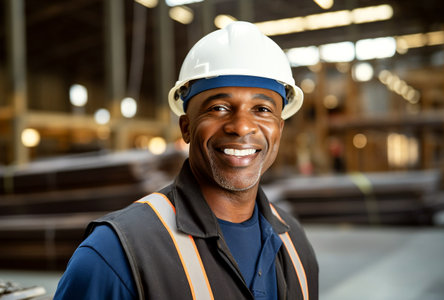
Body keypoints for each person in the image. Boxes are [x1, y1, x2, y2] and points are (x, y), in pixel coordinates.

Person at [54, 21, 318, 300]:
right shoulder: (116, 255)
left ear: (280, 129)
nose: (241, 127)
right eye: (219, 107)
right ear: (186, 127)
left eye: (262, 109)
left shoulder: (294, 242)